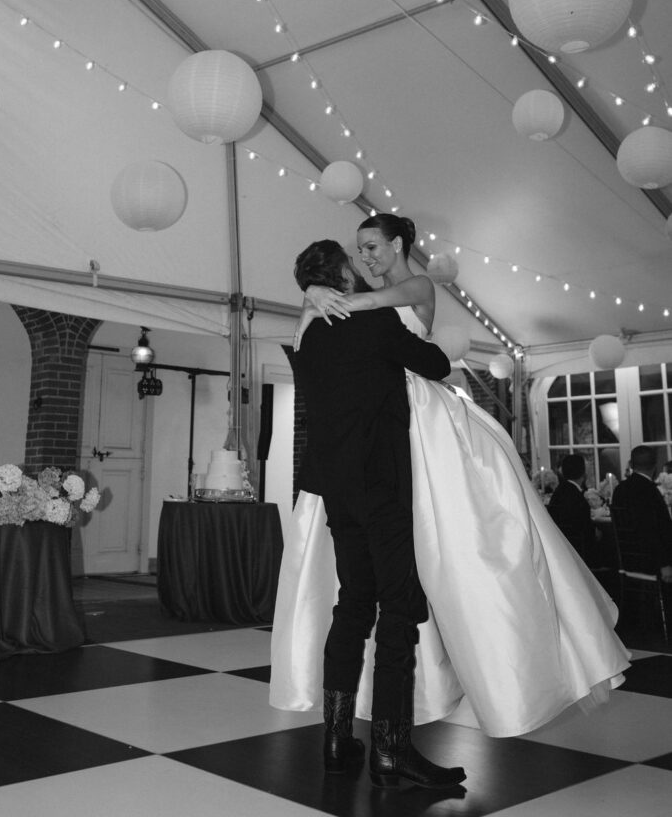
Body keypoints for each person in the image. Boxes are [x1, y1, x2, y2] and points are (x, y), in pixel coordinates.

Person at [270, 215, 630, 740]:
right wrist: (319, 291)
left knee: (441, 559)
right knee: (390, 592)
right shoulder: (357, 306)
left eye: (371, 246)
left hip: (414, 427)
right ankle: (391, 734)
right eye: (358, 251)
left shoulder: (412, 288)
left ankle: (370, 725)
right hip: (387, 440)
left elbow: (387, 324)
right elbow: (386, 335)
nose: (366, 257)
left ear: (397, 244)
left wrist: (316, 293)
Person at [283, 238, 465, 789]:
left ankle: (337, 738)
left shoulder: (307, 335)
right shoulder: (377, 322)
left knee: (353, 603)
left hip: (335, 488)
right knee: (401, 606)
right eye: (351, 261)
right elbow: (435, 364)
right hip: (381, 486)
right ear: (342, 272)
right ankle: (390, 747)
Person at [611, 445, 672, 583]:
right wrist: (664, 563)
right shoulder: (650, 491)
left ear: (631, 465)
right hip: (652, 562)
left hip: (627, 560)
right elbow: (655, 530)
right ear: (655, 466)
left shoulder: (620, 489)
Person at [548, 454, 599, 567]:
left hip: (560, 548)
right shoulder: (577, 497)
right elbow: (587, 531)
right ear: (583, 473)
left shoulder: (558, 492)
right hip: (580, 553)